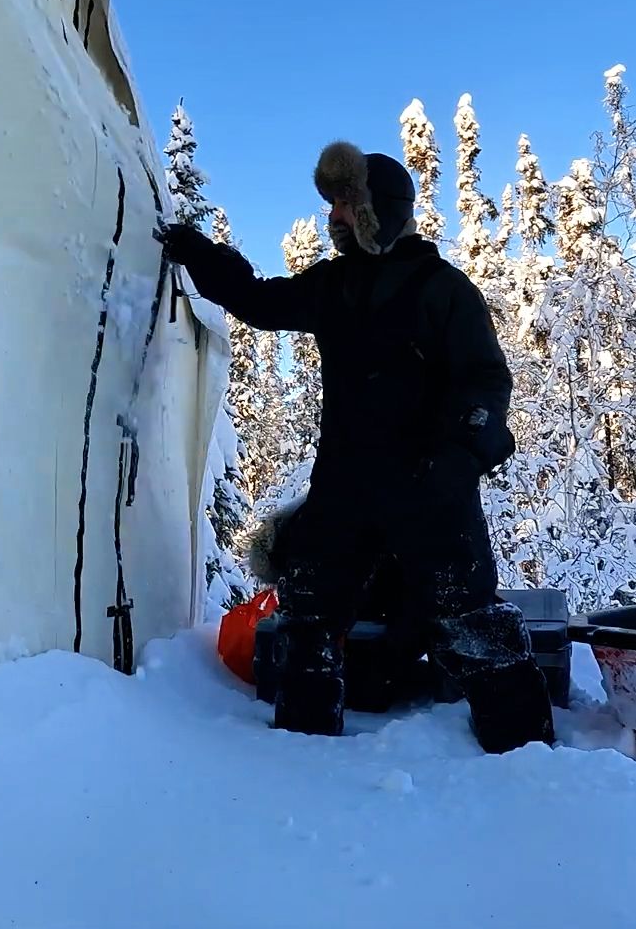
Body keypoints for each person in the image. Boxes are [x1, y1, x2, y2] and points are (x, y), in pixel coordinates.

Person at [156, 140, 555, 753]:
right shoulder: (334, 285)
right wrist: (200, 256)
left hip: (429, 486)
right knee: (308, 615)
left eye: (345, 203)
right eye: (333, 204)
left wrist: (459, 458)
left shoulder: (443, 289)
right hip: (345, 484)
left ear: (380, 210)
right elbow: (260, 302)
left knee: (472, 619)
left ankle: (529, 760)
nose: (333, 216)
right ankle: (301, 755)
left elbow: (485, 380)